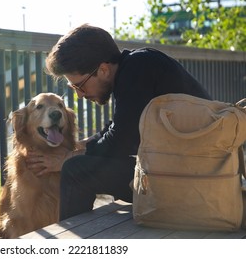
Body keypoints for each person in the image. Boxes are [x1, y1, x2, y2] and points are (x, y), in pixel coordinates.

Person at [26, 24, 211, 221]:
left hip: (189, 185)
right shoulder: (138, 66)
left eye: (79, 85)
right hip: (189, 173)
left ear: (103, 70)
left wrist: (65, 159)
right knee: (86, 162)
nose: (79, 95)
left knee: (75, 170)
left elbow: (120, 141)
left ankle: (74, 246)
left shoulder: (138, 69)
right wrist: (78, 145)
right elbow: (119, 128)